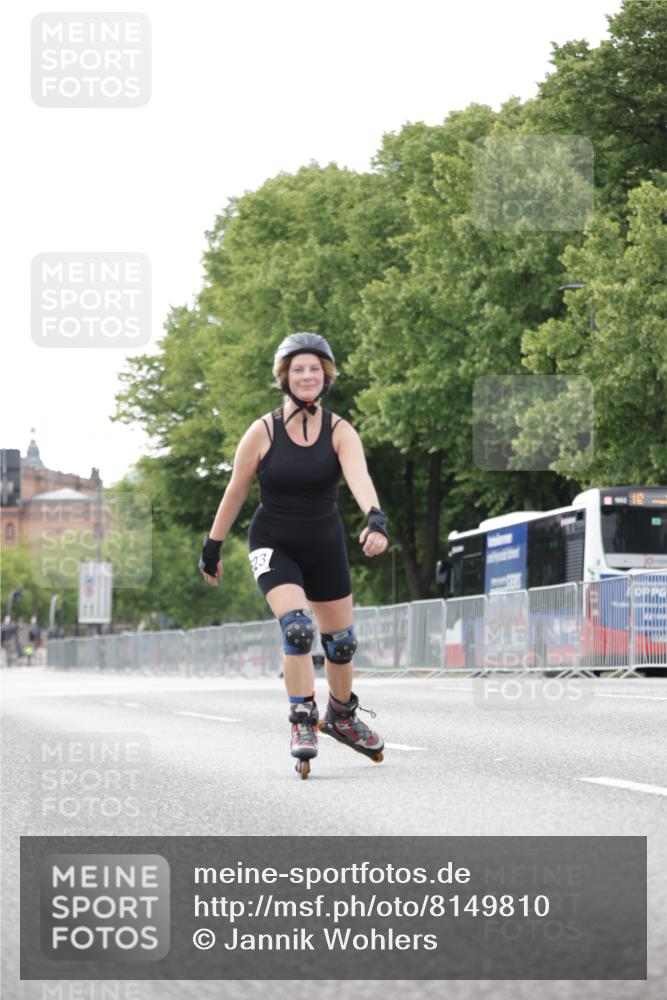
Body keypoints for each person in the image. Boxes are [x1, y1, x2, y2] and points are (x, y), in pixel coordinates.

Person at [199, 332, 389, 777]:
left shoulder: (341, 430)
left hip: (324, 544)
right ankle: (303, 720)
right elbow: (236, 491)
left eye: (315, 369)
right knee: (299, 629)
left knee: (341, 644)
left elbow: (359, 477)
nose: (307, 375)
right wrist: (213, 545)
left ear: (326, 376)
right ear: (285, 377)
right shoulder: (262, 431)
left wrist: (375, 518)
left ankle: (341, 716)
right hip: (273, 543)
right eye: (298, 369)